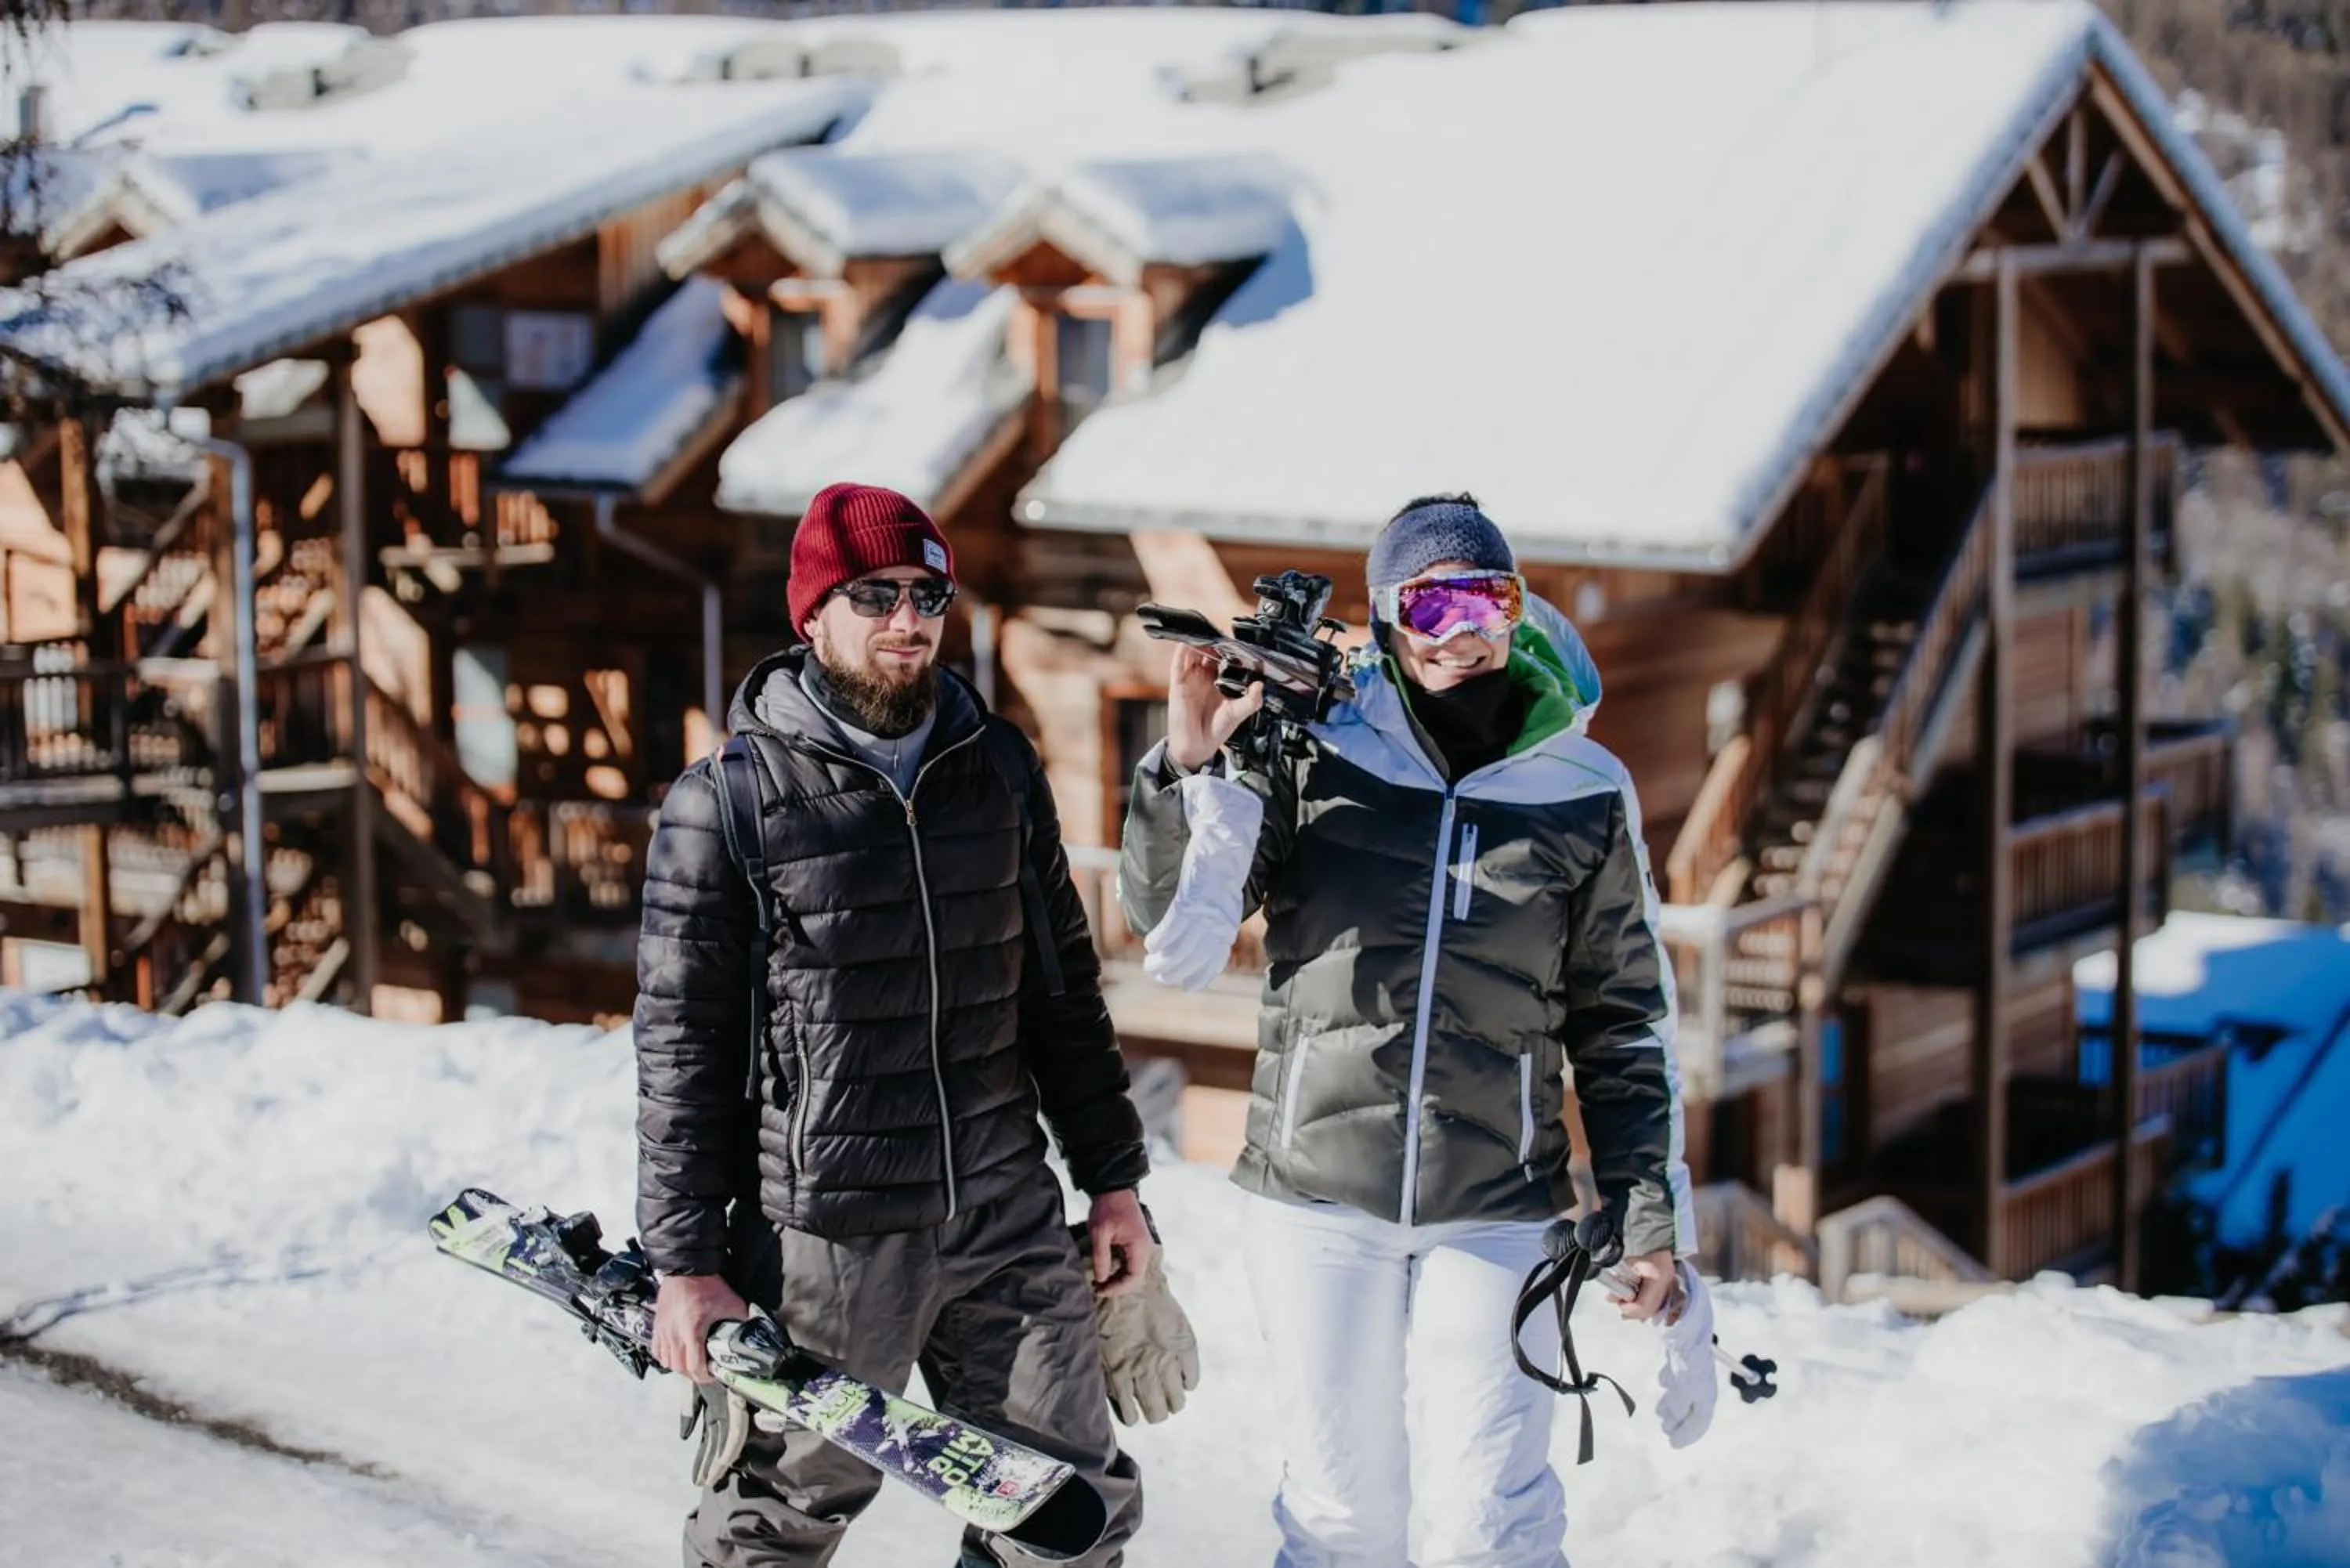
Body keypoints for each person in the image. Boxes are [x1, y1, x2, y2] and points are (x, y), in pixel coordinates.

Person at [1119, 493, 1708, 1567]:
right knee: (1341, 1518)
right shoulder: (1313, 746)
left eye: (1488, 601)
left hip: (1496, 1207)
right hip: (1313, 1197)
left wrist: (1648, 1213)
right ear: (1389, 618)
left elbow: (1623, 1022)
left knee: (1495, 1520)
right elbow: (1177, 924)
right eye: (1432, 605)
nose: (1463, 632)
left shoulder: (1582, 789)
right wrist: (1187, 766)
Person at [634, 481, 1184, 1568]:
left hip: (1005, 1213)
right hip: (830, 1235)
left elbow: (1062, 995)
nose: (906, 619)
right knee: (776, 1526)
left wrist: (1114, 1182)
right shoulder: (729, 802)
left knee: (1068, 1518)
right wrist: (687, 1260)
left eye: (927, 593)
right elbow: (681, 1051)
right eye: (875, 593)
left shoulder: (998, 768)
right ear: (814, 613)